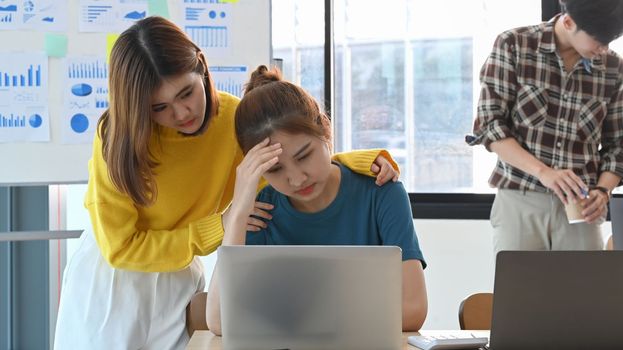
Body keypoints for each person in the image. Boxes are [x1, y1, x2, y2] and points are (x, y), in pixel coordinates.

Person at [54, 17, 401, 350]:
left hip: (179, 278)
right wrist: (216, 227)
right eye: (159, 107)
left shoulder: (236, 120)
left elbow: (297, 154)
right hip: (112, 283)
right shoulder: (117, 139)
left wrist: (359, 162)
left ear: (202, 68)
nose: (181, 113)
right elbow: (120, 247)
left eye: (187, 92)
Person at [205, 65, 428, 334]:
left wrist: (300, 322)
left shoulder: (382, 191)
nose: (297, 179)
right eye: (275, 169)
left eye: (304, 156)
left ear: (324, 130)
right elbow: (219, 322)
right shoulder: (259, 211)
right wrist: (238, 212)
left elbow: (414, 310)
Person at [468, 0, 623, 254]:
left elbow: (618, 145)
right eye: (598, 40)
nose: (604, 50)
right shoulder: (514, 45)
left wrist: (603, 190)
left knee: (586, 292)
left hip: (580, 208)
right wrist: (544, 172)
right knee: (519, 291)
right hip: (520, 198)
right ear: (569, 21)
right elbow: (490, 126)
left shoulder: (613, 69)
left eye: (610, 41)